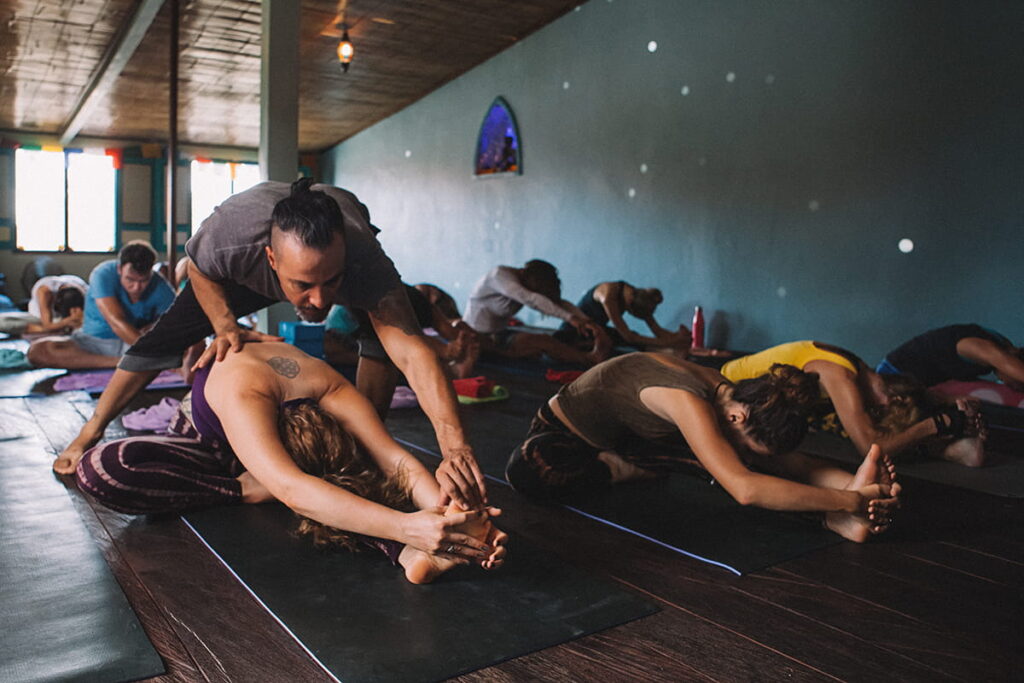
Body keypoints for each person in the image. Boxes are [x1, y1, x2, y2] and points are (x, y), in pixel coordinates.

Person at [55, 180, 487, 512]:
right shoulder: (232, 238)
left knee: (386, 332)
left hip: (343, 234)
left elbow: (413, 351)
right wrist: (225, 325)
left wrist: (455, 450)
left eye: (329, 283)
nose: (319, 301)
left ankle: (363, 443)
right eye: (303, 285)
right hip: (234, 275)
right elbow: (199, 270)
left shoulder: (363, 258)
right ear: (271, 259)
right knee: (161, 340)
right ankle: (87, 431)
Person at [75, 341, 507, 584]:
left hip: (304, 464)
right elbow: (292, 489)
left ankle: (415, 552)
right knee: (101, 468)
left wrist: (451, 515)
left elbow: (391, 457)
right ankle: (250, 489)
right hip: (209, 447)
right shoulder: (246, 393)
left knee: (348, 483)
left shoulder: (334, 389)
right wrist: (406, 526)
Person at [505, 354, 900, 543]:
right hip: (564, 439)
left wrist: (862, 492)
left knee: (739, 460)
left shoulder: (728, 394)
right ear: (736, 419)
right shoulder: (690, 402)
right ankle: (618, 468)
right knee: (526, 471)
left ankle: (839, 515)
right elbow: (745, 489)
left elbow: (787, 460)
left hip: (636, 438)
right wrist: (847, 501)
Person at [721, 341, 986, 467]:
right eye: (884, 408)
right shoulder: (841, 375)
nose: (879, 409)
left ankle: (951, 449)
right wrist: (936, 425)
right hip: (731, 398)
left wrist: (950, 402)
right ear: (893, 395)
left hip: (770, 410)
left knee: (872, 433)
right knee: (873, 440)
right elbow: (871, 448)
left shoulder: (856, 370)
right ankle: (946, 448)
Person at [27, 241, 175, 369]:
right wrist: (151, 357)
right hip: (92, 343)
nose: (136, 287)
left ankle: (136, 361)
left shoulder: (160, 285)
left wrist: (153, 332)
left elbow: (178, 321)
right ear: (119, 269)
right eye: (130, 280)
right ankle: (121, 363)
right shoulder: (104, 273)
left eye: (143, 281)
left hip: (133, 342)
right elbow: (116, 322)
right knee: (37, 350)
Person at [341, 283, 480, 417]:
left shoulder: (418, 303)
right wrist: (448, 350)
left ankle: (454, 361)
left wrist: (456, 345)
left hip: (391, 309)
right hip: (379, 313)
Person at [463, 260, 612, 366]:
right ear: (523, 274)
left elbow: (557, 302)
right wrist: (572, 319)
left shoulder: (526, 284)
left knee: (542, 343)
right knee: (541, 341)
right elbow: (532, 299)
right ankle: (591, 359)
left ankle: (587, 354)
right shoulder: (499, 276)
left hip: (498, 335)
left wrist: (587, 321)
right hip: (475, 336)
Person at [878, 324, 1024, 393]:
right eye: (1017, 384)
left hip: (917, 381)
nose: (1015, 387)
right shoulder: (983, 348)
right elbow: (1008, 363)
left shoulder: (1002, 345)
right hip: (893, 375)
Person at [553, 281, 690, 351]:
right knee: (628, 339)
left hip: (597, 330)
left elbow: (657, 330)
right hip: (574, 332)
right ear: (630, 305)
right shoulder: (608, 296)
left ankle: (670, 351)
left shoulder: (639, 297)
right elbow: (628, 336)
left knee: (633, 339)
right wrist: (670, 343)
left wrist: (678, 338)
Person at [0, 273, 86, 336]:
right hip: (40, 318)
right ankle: (38, 329)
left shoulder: (83, 289)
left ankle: (56, 330)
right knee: (2, 322)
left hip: (62, 321)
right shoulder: (45, 291)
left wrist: (76, 320)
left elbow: (82, 319)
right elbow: (48, 325)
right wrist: (67, 322)